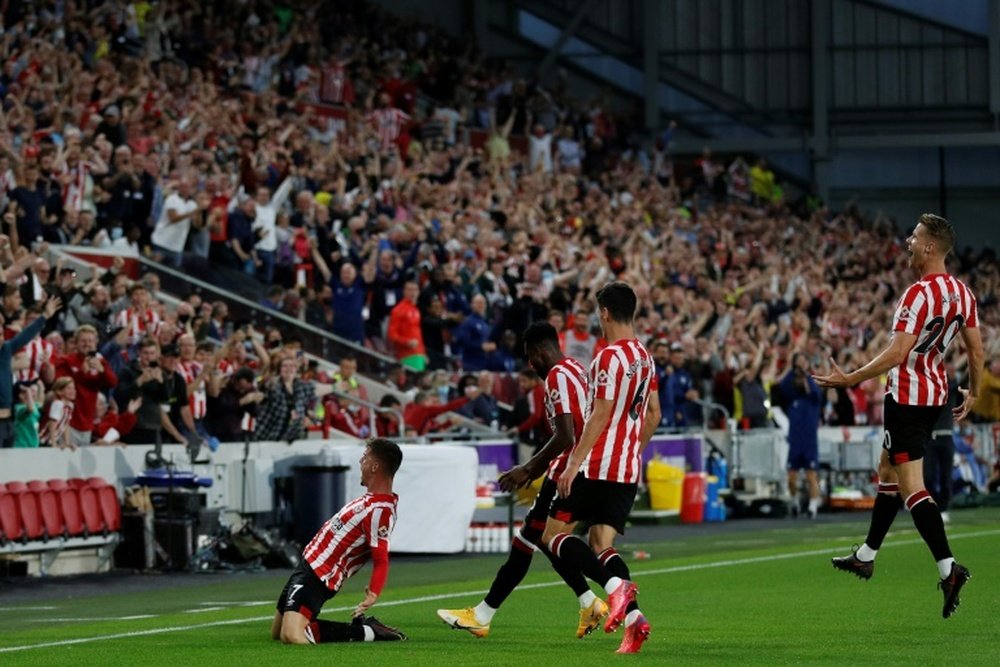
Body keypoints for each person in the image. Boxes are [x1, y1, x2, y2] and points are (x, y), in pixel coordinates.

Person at [815, 214, 983, 619]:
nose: (908, 241)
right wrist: (974, 392)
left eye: (914, 237)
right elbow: (976, 352)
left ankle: (948, 569)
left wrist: (849, 379)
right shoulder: (962, 293)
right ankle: (866, 554)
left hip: (906, 396)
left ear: (929, 247)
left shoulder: (917, 295)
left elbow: (896, 353)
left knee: (911, 487)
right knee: (887, 467)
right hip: (934, 393)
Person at [437, 322, 606, 638]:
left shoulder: (557, 375)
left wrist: (528, 469)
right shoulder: (575, 368)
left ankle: (614, 591)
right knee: (536, 539)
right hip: (578, 468)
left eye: (531, 357)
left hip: (565, 472)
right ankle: (588, 601)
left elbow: (566, 434)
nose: (531, 365)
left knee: (540, 541)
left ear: (542, 350)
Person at [546, 281, 660, 654]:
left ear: (605, 313)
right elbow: (654, 415)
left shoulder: (608, 357)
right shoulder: (646, 357)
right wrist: (633, 450)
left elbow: (601, 413)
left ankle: (615, 590)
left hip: (595, 467)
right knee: (601, 546)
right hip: (626, 468)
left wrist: (572, 463)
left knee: (552, 536)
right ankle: (634, 622)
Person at [271, 437, 406, 644]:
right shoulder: (369, 500)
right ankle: (363, 630)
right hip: (307, 565)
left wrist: (374, 592)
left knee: (292, 635)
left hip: (320, 575)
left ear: (375, 466)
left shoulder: (380, 511)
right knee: (277, 632)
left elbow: (381, 558)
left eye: (364, 458)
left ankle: (367, 632)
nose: (361, 463)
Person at [0, 295, 61, 448]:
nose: (1, 336)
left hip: (8, 422)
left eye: (1, 333)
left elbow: (25, 336)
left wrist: (45, 315)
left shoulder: (6, 349)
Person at [773, 352, 823, 518]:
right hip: (795, 442)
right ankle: (794, 501)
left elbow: (814, 392)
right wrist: (791, 368)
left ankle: (812, 507)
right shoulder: (792, 398)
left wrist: (806, 375)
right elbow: (782, 385)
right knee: (791, 478)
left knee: (811, 476)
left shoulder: (812, 399)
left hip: (809, 442)